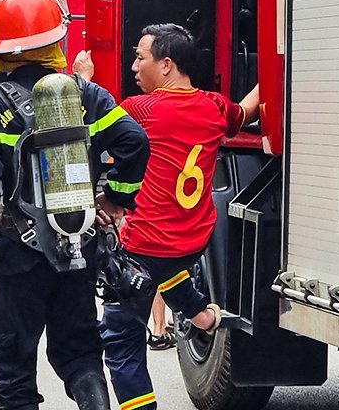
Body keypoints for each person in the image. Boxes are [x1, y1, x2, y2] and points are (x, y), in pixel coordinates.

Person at [0, 0, 149, 410]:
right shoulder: (86, 95)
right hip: (77, 245)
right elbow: (134, 141)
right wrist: (116, 198)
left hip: (16, 253)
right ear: (56, 39)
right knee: (81, 351)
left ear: (0, 48)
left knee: (13, 363)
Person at [75, 24, 259, 410]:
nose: (134, 67)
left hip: (145, 243)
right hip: (193, 239)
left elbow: (88, 128)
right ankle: (202, 316)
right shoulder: (214, 106)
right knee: (167, 271)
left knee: (120, 342)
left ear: (167, 64)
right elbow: (244, 112)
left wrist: (82, 80)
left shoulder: (142, 110)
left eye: (141, 58)